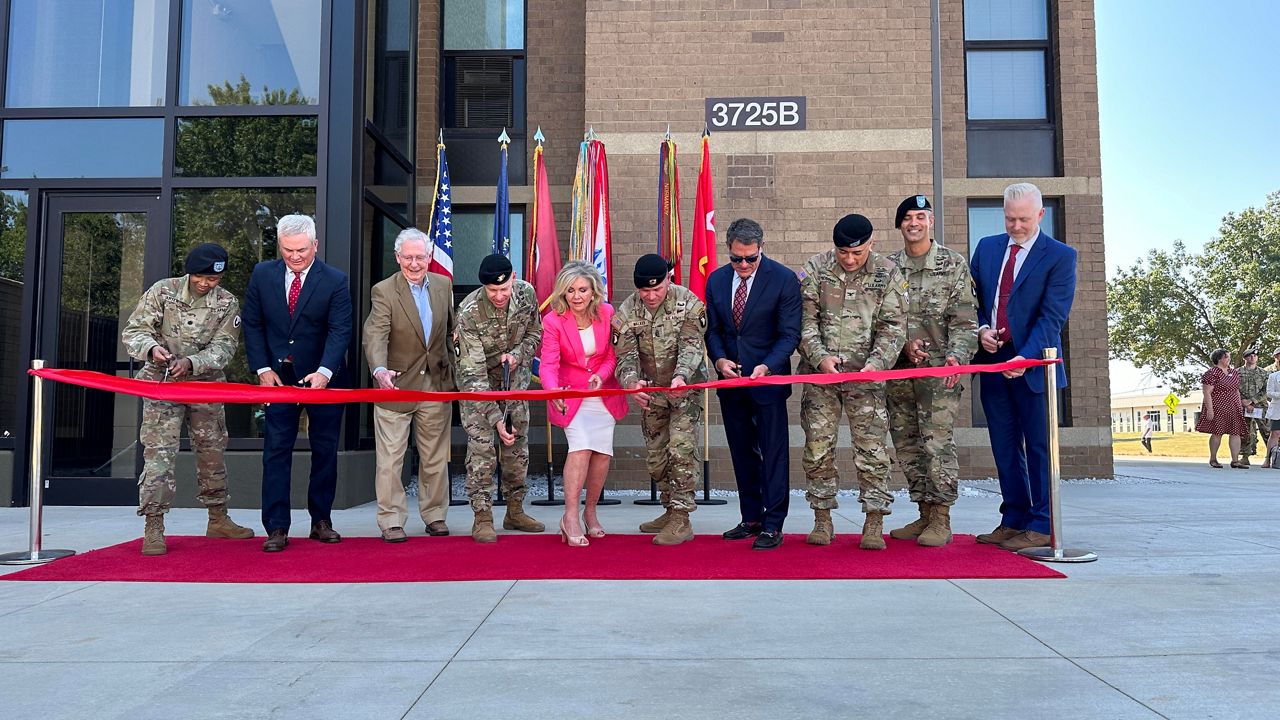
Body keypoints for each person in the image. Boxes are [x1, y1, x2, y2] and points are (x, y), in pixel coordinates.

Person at [121, 243, 255, 556]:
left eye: (213, 279)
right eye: (201, 277)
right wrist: (153, 350)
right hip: (162, 385)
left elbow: (225, 348)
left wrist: (193, 363)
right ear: (189, 272)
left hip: (205, 387)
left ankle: (218, 518)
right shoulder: (162, 291)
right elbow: (135, 330)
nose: (207, 283)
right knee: (159, 455)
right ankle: (153, 524)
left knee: (212, 453)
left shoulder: (226, 303)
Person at [970, 183, 1076, 552]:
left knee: (1040, 448)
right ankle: (1014, 519)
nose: (1016, 226)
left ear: (1041, 215)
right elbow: (975, 302)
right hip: (992, 362)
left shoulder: (1061, 256)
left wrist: (1025, 357)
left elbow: (1052, 317)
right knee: (1004, 445)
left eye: (1024, 220)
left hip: (1034, 366)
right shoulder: (986, 248)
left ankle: (1043, 523)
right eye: (1010, 218)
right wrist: (982, 329)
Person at [242, 214, 353, 552]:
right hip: (279, 378)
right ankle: (276, 526)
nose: (295, 256)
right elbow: (252, 323)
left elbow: (340, 330)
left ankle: (321, 521)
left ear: (315, 245)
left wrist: (324, 371)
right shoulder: (263, 275)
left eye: (301, 250)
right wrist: (261, 368)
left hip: (324, 377)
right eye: (288, 250)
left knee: (324, 451)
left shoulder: (335, 280)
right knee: (275, 451)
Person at [798, 214, 907, 551]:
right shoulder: (816, 268)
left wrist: (875, 365)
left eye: (856, 253)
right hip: (821, 378)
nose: (848, 259)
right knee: (818, 449)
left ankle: (874, 520)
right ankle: (822, 518)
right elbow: (804, 321)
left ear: (870, 244)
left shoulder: (887, 272)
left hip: (867, 379)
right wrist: (819, 357)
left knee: (872, 450)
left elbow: (894, 327)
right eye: (842, 252)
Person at [885, 195, 979, 547]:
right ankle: (923, 512)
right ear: (899, 225)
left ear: (931, 222)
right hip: (897, 373)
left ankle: (941, 517)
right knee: (906, 443)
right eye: (907, 217)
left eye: (920, 216)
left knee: (936, 443)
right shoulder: (888, 267)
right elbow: (883, 318)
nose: (914, 223)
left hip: (940, 373)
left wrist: (957, 356)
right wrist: (903, 345)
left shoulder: (952, 264)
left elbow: (966, 320)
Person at [704, 218, 801, 550]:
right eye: (736, 258)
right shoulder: (716, 281)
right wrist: (718, 360)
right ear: (728, 250)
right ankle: (751, 517)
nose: (743, 265)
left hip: (768, 382)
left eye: (750, 258)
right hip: (731, 382)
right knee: (742, 452)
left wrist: (768, 365)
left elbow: (789, 334)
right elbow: (713, 331)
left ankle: (773, 523)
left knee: (773, 454)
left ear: (762, 248)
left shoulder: (784, 279)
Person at [362, 228, 456, 542]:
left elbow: (448, 335)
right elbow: (375, 333)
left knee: (434, 458)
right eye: (408, 258)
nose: (414, 264)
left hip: (436, 385)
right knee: (390, 460)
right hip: (395, 386)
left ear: (430, 258)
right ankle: (391, 520)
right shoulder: (384, 290)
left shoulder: (444, 286)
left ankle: (435, 515)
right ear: (397, 257)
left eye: (420, 257)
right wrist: (378, 370)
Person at [612, 254, 708, 546]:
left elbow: (691, 345)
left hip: (685, 390)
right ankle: (669, 508)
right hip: (653, 393)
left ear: (669, 279)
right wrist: (631, 383)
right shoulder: (628, 310)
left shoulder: (688, 303)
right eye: (645, 290)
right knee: (656, 457)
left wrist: (681, 377)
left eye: (657, 288)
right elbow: (624, 356)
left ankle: (682, 518)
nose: (651, 296)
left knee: (681, 450)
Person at [455, 254, 544, 542]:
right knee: (482, 453)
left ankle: (515, 510)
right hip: (477, 389)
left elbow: (534, 333)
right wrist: (496, 420)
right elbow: (473, 375)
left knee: (516, 450)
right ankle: (482, 516)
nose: (499, 296)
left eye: (503, 289)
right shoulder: (468, 311)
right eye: (492, 291)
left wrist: (518, 356)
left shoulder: (526, 293)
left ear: (513, 277)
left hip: (514, 383)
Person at [539, 261, 628, 547]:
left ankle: (590, 511)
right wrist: (555, 392)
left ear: (593, 291)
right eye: (570, 291)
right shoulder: (553, 320)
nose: (576, 296)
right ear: (562, 293)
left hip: (602, 394)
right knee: (579, 450)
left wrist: (601, 376)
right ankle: (570, 517)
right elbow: (549, 364)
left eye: (582, 290)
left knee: (601, 454)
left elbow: (613, 356)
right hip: (570, 395)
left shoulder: (608, 313)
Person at [1195, 348, 1248, 469]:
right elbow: (1207, 392)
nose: (1228, 359)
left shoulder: (1234, 372)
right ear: (1219, 359)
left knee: (1236, 432)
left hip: (1234, 406)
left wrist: (1239, 404)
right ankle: (1213, 459)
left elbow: (1236, 390)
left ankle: (1235, 461)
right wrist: (1210, 409)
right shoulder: (1211, 373)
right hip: (1218, 406)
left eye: (1229, 357)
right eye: (1226, 357)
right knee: (1217, 432)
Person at [1236, 348, 1270, 467]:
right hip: (1243, 406)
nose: (1253, 357)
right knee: (1245, 432)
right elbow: (1233, 389)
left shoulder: (1264, 373)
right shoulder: (1237, 373)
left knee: (1267, 431)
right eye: (1250, 356)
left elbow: (1267, 390)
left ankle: (1272, 457)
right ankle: (1245, 457)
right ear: (1245, 358)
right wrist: (1243, 402)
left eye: (1255, 356)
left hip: (1261, 407)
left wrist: (1252, 401)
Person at [1264, 353, 1280, 469]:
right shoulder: (1274, 376)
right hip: (1277, 409)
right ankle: (1267, 459)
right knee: (1275, 434)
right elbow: (1269, 392)